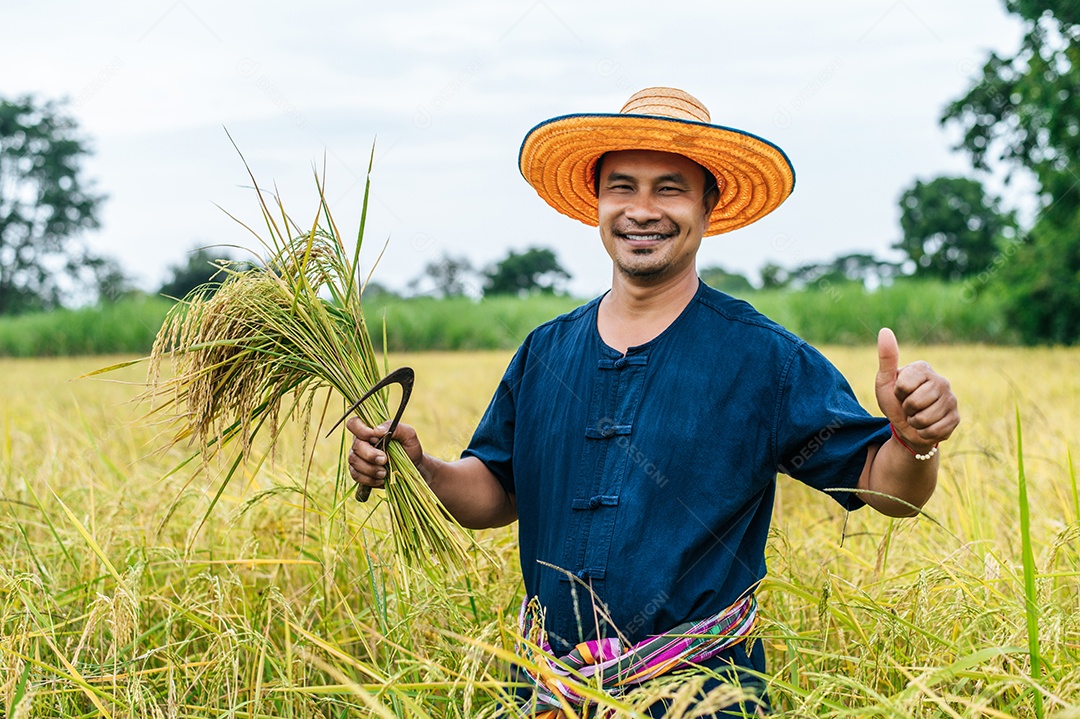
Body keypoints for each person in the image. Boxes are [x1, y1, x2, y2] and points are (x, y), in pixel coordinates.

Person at [346, 87, 960, 717]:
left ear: (708, 204)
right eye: (622, 186)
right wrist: (421, 469)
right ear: (597, 201)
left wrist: (914, 442)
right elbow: (495, 492)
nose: (643, 210)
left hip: (701, 697)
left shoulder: (762, 358)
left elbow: (886, 491)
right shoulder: (545, 352)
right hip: (545, 693)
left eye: (669, 188)